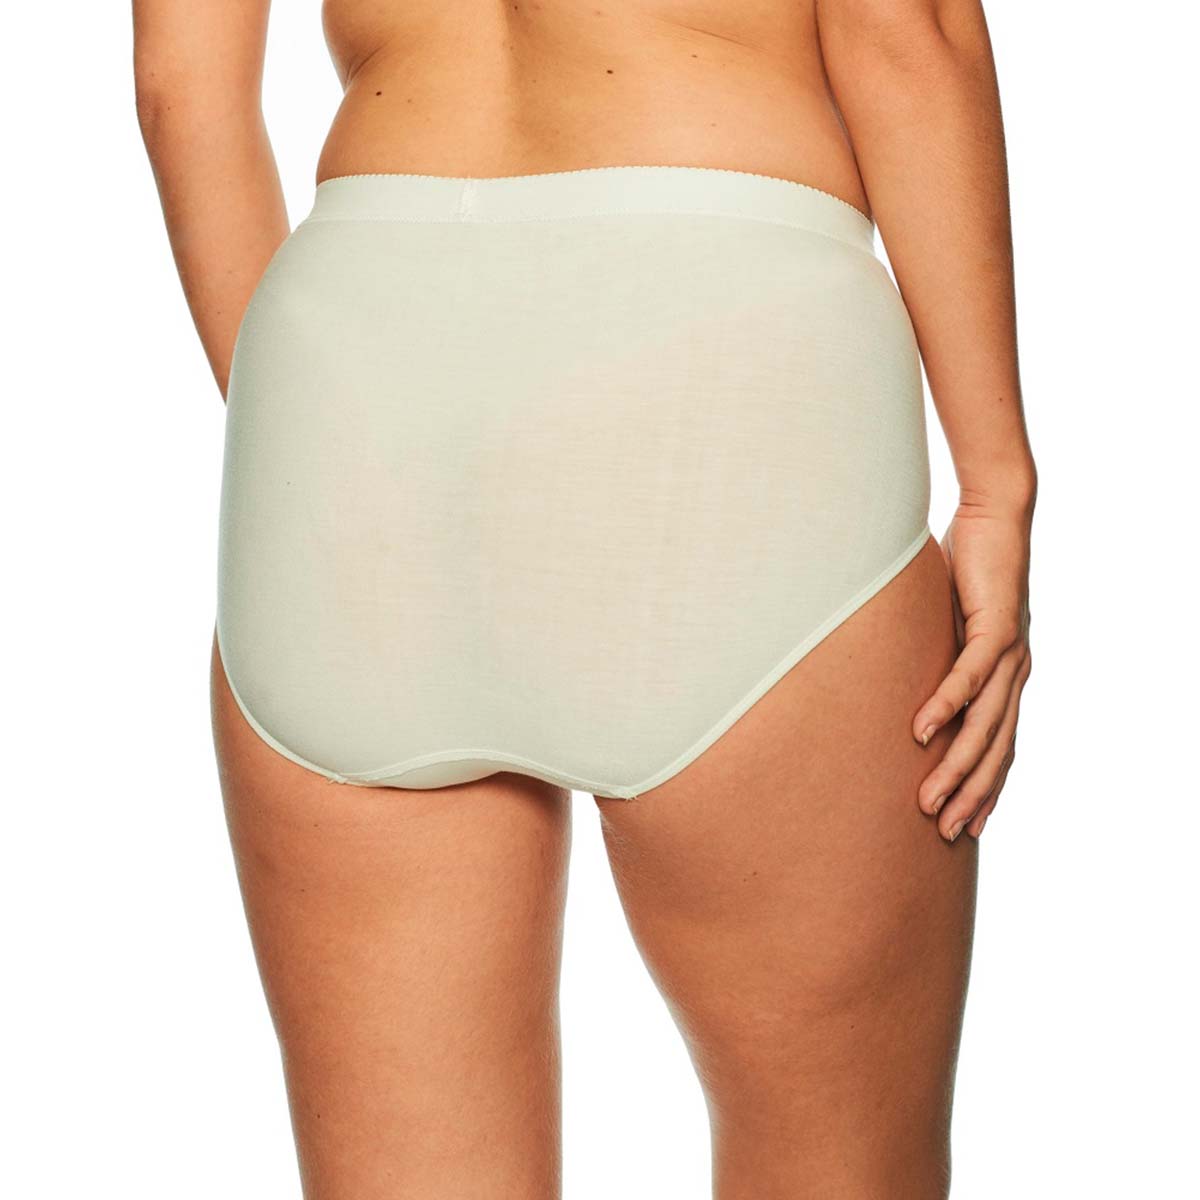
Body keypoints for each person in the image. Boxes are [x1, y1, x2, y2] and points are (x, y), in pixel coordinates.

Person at [133, 0, 1036, 1194]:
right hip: (721, 324)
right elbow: (904, 32)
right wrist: (995, 483)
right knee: (832, 1157)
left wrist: (323, 452)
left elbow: (179, 85)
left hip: (356, 349)